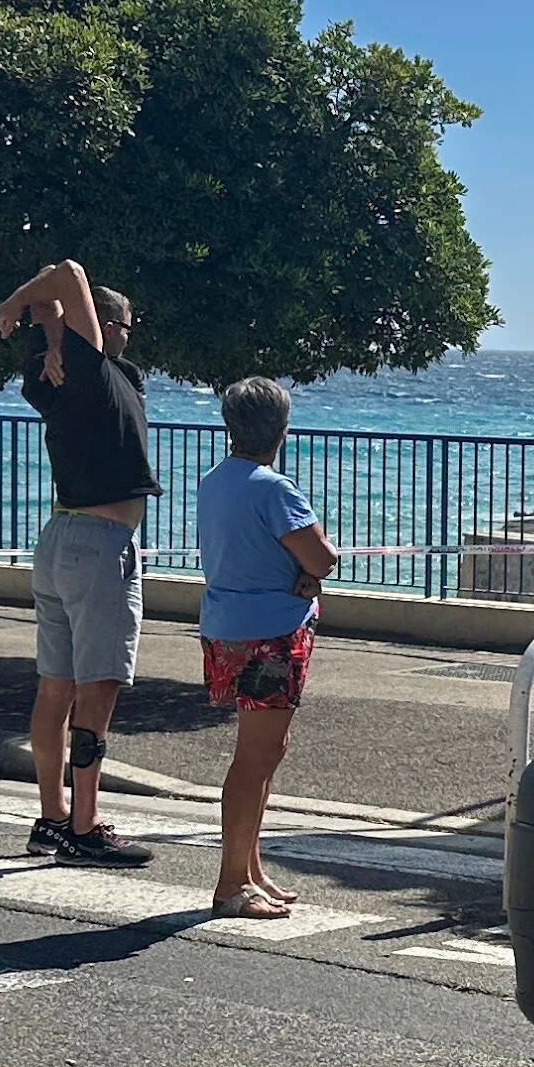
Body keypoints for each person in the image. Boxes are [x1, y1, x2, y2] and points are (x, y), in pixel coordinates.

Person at [0, 258, 157, 869]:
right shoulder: (88, 371)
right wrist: (20, 301)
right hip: (97, 545)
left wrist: (50, 324)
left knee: (54, 686)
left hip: (61, 537)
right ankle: (84, 824)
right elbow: (64, 272)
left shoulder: (53, 376)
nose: (126, 338)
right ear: (106, 324)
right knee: (97, 688)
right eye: (125, 326)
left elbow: (54, 293)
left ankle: (52, 819)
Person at [196, 377, 340, 921]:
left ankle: (250, 869)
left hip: (227, 625)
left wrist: (303, 572)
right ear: (281, 428)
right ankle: (232, 883)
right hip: (271, 634)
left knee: (264, 753)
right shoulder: (275, 488)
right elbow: (321, 557)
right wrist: (311, 573)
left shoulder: (215, 481)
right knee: (255, 758)